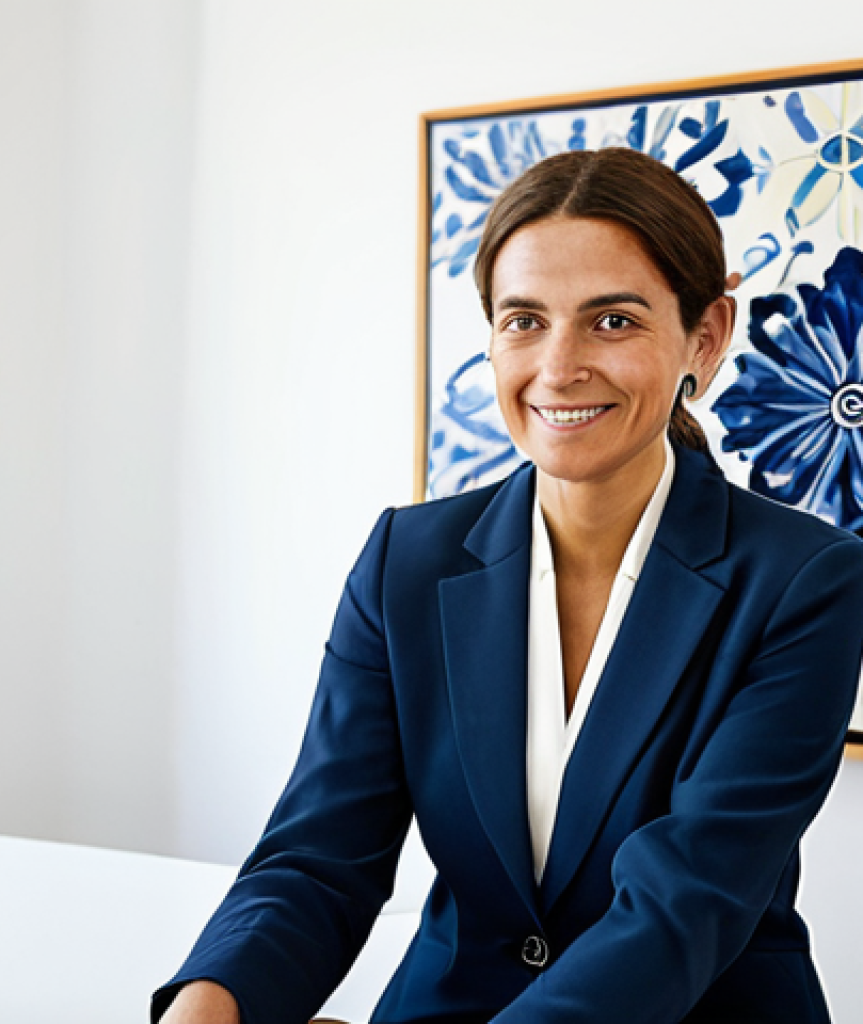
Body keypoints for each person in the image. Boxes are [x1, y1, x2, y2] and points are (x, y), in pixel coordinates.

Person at [152, 148, 863, 1024]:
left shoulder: (804, 581)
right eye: (525, 320)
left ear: (705, 337)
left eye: (612, 321)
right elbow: (317, 857)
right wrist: (209, 1003)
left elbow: (685, 905)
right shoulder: (405, 562)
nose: (558, 368)